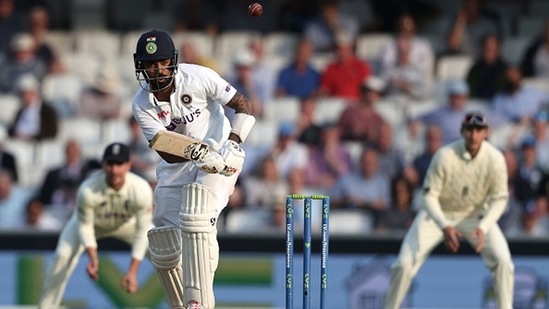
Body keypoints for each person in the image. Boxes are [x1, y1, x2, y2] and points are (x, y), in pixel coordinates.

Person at [131, 30, 254, 309]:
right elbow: (164, 149)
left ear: (172, 60)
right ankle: (181, 305)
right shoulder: (141, 104)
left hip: (220, 158)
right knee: (164, 238)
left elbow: (243, 104)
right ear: (141, 66)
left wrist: (233, 144)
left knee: (198, 216)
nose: (158, 69)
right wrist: (196, 152)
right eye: (150, 64)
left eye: (162, 62)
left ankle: (200, 302)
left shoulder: (199, 76)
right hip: (177, 166)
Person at [385, 111, 514, 309]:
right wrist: (444, 225)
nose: (473, 135)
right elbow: (428, 196)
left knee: (504, 261)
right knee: (403, 264)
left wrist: (484, 226)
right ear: (462, 131)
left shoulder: (495, 158)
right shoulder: (445, 155)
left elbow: (500, 199)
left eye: (478, 130)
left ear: (486, 132)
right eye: (470, 130)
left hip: (474, 216)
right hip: (438, 215)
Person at [39, 142, 154, 308]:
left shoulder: (141, 189)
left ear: (128, 165)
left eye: (119, 164)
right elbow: (85, 227)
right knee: (62, 256)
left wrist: (133, 271)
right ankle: (47, 306)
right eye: (110, 164)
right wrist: (93, 258)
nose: (114, 170)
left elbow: (143, 231)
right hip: (92, 225)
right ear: (103, 164)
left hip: (128, 225)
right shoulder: (88, 190)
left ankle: (185, 303)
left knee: (166, 253)